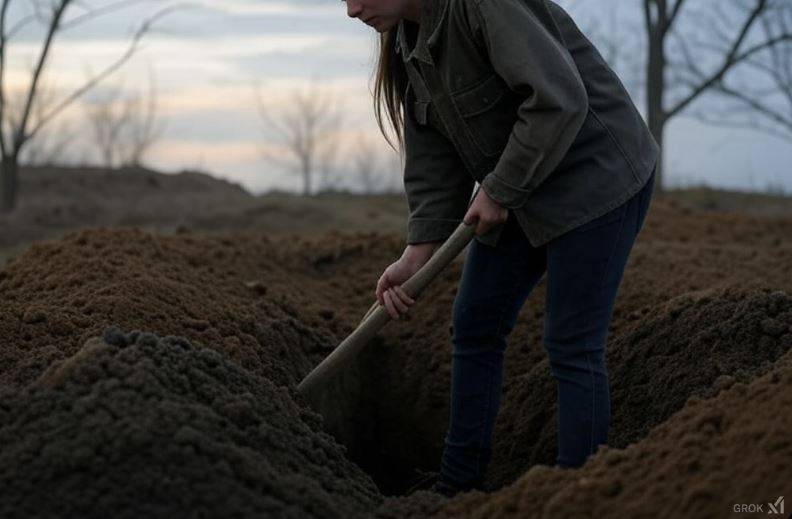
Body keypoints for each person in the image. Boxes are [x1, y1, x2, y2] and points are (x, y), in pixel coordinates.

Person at [344, 0, 660, 498]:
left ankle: (579, 490)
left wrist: (500, 190)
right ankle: (458, 481)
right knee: (474, 324)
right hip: (519, 188)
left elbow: (557, 100)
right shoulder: (408, 40)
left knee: (571, 341)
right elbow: (433, 152)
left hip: (594, 179)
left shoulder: (484, 6)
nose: (351, 9)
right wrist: (418, 249)